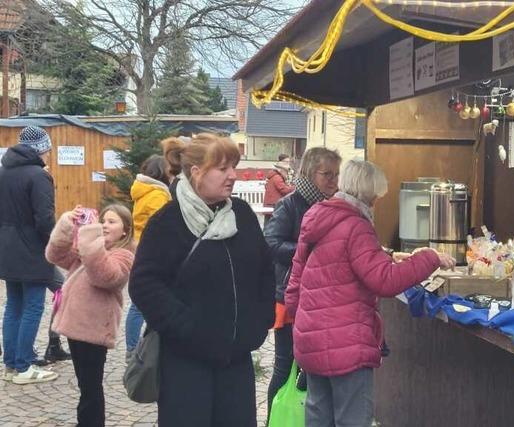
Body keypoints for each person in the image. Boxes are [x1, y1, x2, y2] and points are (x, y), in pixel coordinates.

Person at [285, 160, 456, 427]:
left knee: (319, 419)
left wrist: (305, 326)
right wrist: (428, 258)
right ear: (367, 195)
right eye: (376, 196)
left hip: (311, 339)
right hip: (346, 344)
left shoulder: (317, 217)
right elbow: (384, 281)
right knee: (351, 420)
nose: (377, 202)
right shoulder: (356, 226)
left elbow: (296, 281)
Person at [128, 133, 275, 426]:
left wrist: (259, 322)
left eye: (233, 166)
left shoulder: (242, 216)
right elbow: (144, 285)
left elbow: (264, 271)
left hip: (236, 361)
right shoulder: (168, 222)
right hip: (185, 364)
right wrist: (188, 328)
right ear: (197, 173)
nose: (233, 175)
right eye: (223, 169)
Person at [264, 147, 342, 418]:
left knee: (316, 368)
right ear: (310, 173)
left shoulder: (336, 206)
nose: (333, 181)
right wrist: (308, 249)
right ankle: (275, 421)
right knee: (285, 367)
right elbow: (270, 243)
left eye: (336, 174)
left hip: (323, 299)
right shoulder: (290, 204)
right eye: (326, 174)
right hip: (291, 298)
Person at [45, 204, 134, 426]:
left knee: (91, 387)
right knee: (85, 384)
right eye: (103, 220)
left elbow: (103, 276)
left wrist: (90, 236)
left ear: (125, 230)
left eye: (112, 222)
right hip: (75, 326)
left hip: (94, 329)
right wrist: (67, 223)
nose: (104, 225)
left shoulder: (124, 255)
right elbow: (54, 255)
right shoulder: (90, 248)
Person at [0, 125, 58, 384]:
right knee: (33, 306)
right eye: (48, 149)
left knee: (13, 306)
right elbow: (44, 220)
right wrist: (57, 244)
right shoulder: (38, 176)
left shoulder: (3, 172)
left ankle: (11, 364)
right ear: (41, 149)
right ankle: (24, 367)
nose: (49, 155)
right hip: (33, 249)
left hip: (6, 248)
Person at [125, 154, 172, 361]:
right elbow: (164, 226)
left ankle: (132, 347)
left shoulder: (143, 191)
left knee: (138, 302)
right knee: (140, 304)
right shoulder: (157, 195)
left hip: (139, 246)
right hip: (153, 251)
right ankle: (133, 349)